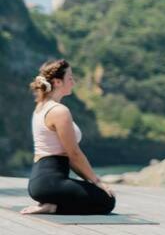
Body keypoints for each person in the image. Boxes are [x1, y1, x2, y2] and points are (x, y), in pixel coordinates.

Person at [22, 59, 116, 215]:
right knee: (107, 201)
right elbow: (74, 153)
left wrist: (90, 180)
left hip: (41, 181)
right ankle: (53, 207)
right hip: (51, 183)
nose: (73, 82)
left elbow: (70, 157)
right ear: (58, 82)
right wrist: (97, 181)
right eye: (70, 78)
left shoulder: (41, 107)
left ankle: (51, 204)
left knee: (99, 195)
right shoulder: (59, 111)